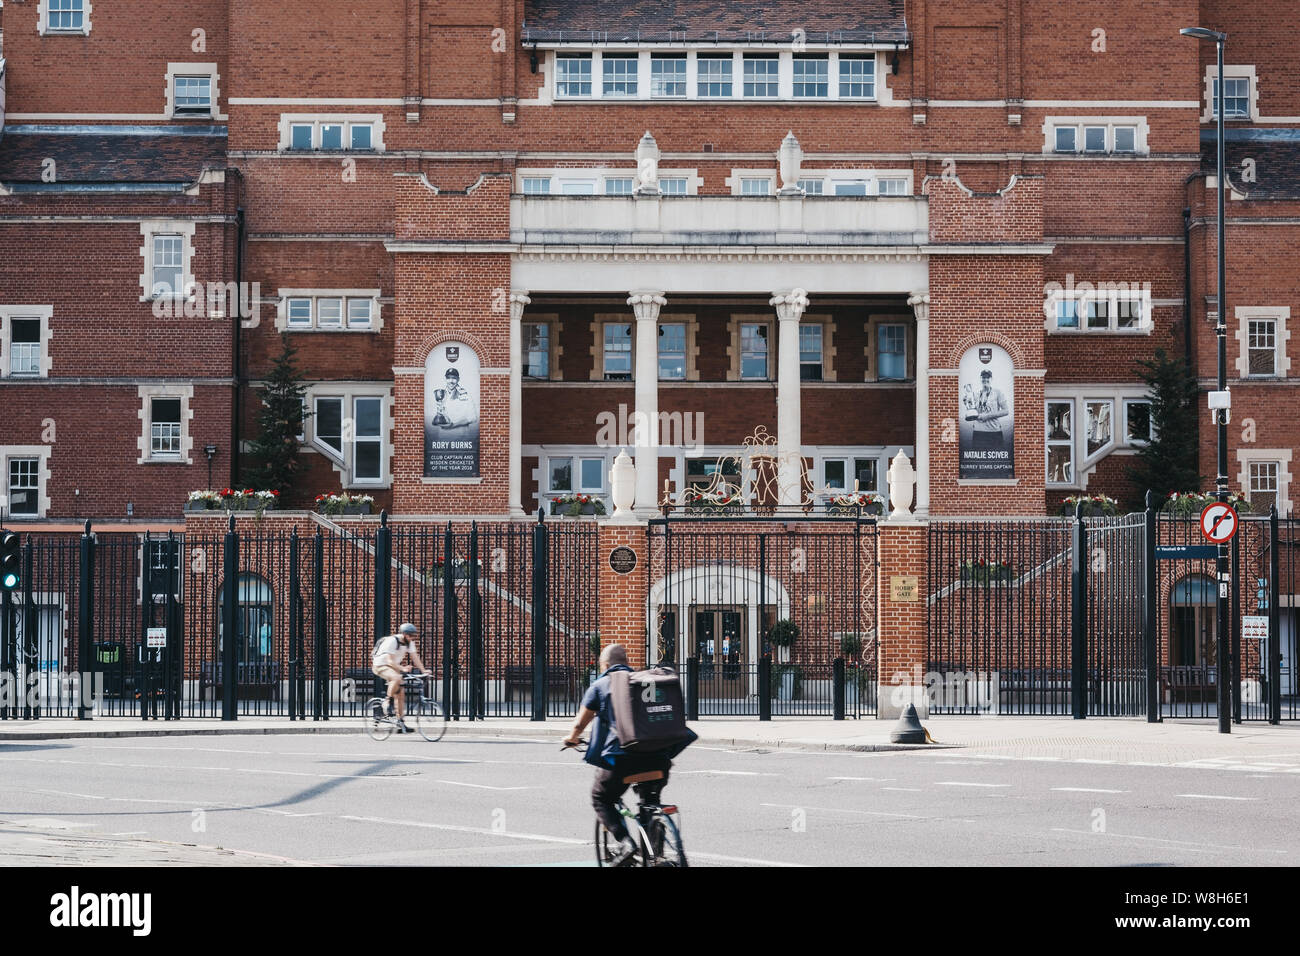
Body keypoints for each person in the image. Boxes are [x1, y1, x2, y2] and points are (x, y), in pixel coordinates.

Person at [563, 643, 671, 865]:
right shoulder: (644, 681)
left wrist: (571, 738)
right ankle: (655, 851)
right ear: (627, 663)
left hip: (624, 760)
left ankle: (625, 843)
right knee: (649, 800)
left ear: (605, 665)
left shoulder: (601, 684)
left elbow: (580, 723)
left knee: (601, 797)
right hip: (659, 759)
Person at [371, 622, 427, 733]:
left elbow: (415, 658)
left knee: (401, 695)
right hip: (380, 665)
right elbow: (389, 661)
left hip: (394, 668)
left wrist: (424, 670)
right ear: (404, 634)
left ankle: (401, 723)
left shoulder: (409, 643)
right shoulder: (392, 641)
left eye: (413, 636)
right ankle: (386, 702)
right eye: (410, 635)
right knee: (396, 678)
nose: (412, 638)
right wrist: (403, 668)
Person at [971, 369, 1009, 452]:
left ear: (991, 379)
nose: (985, 379)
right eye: (983, 377)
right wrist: (968, 403)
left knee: (996, 460)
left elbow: (1006, 411)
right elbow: (973, 412)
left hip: (994, 432)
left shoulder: (998, 392)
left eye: (988, 377)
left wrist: (988, 416)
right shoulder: (976, 394)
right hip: (978, 431)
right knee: (978, 460)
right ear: (980, 379)